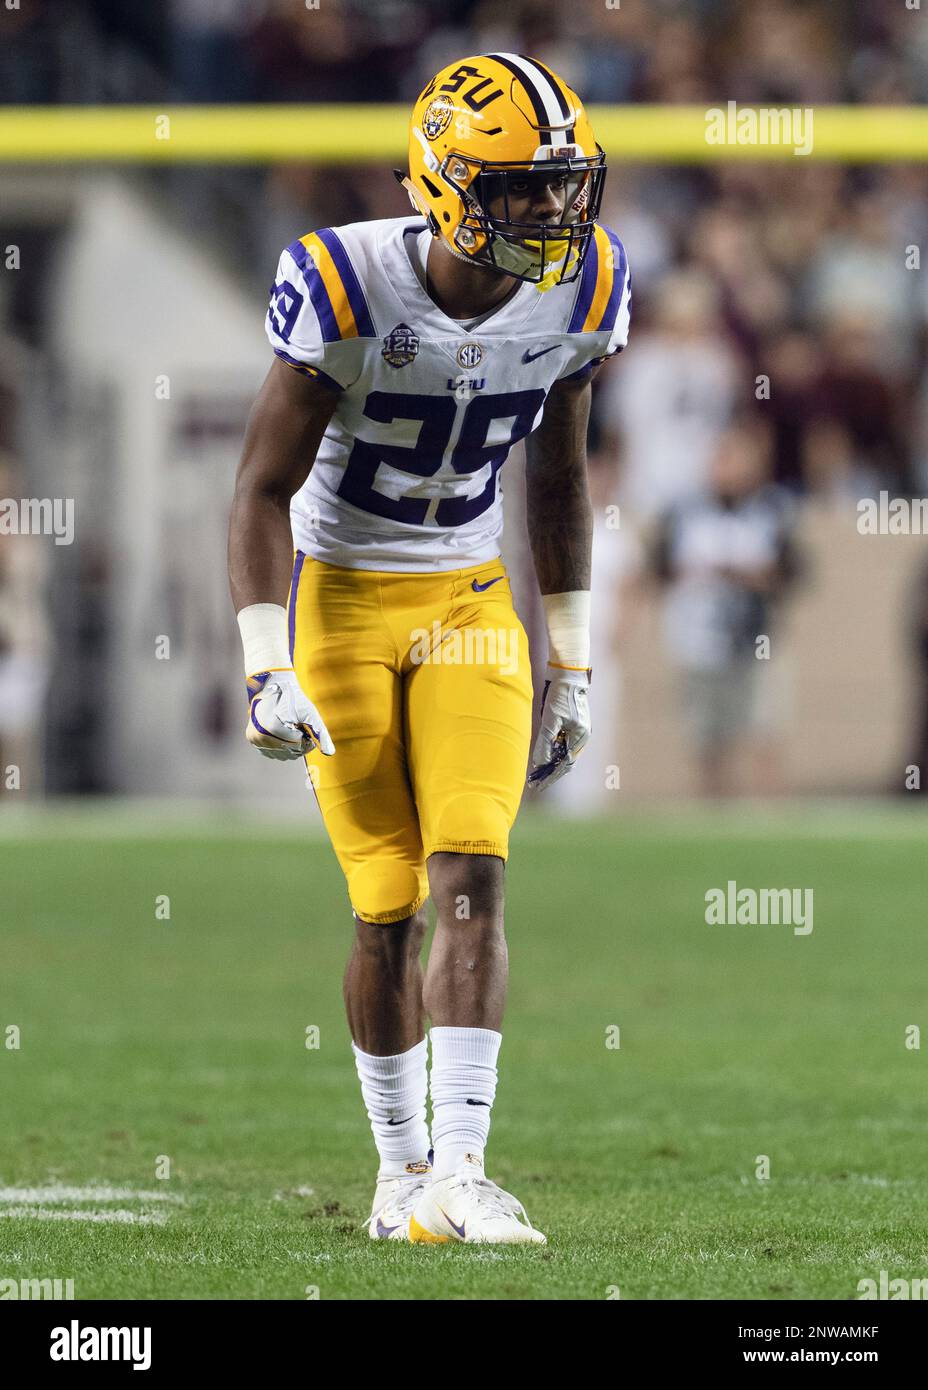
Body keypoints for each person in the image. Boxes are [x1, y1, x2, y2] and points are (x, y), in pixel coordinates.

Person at [228, 54, 631, 1243]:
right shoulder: (348, 284)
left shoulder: (586, 284)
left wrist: (573, 653)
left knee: (476, 866)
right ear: (445, 185)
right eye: (521, 189)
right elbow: (256, 489)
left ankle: (461, 1165)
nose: (554, 214)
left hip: (467, 597)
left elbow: (559, 473)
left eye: (563, 186)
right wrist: (264, 660)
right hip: (343, 597)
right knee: (385, 903)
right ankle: (399, 1171)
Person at [653, 418, 798, 799]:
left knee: (763, 729)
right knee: (707, 736)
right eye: (720, 457)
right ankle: (713, 811)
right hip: (698, 639)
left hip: (756, 637)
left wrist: (750, 576)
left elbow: (794, 573)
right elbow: (659, 568)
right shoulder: (684, 512)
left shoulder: (771, 509)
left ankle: (768, 812)